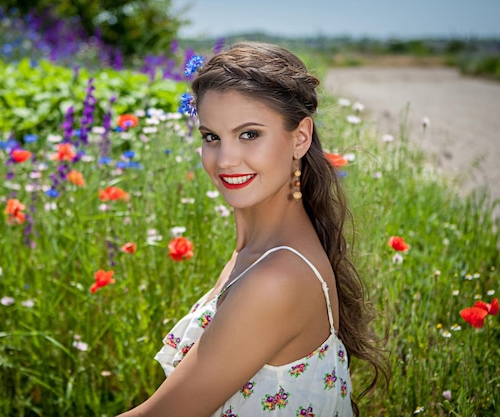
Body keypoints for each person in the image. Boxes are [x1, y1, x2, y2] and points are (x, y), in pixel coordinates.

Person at [118, 41, 388, 417]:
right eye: (211, 136)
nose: (225, 160)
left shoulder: (277, 279)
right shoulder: (262, 250)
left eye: (249, 134)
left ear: (300, 137)